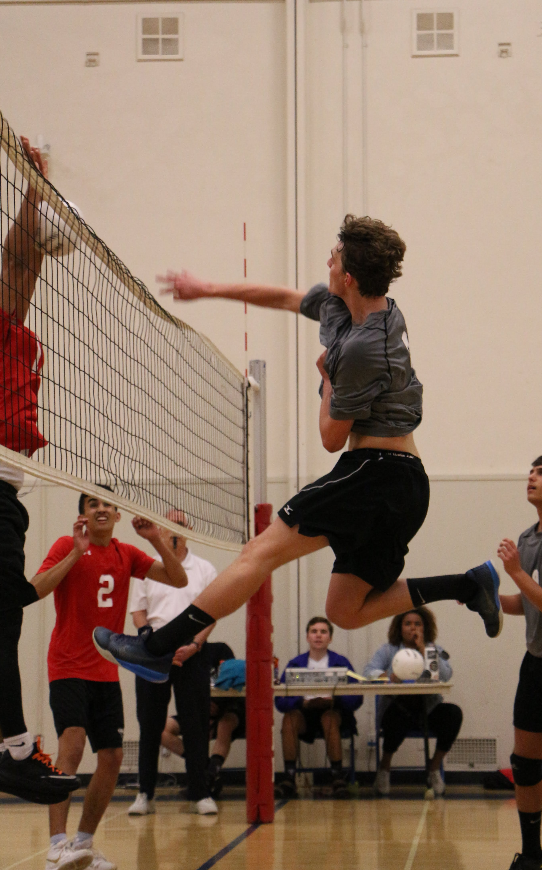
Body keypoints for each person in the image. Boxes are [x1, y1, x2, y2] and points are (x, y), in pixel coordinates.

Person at [93, 214, 502, 682]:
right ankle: (468, 585)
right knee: (346, 611)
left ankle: (158, 648)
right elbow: (285, 297)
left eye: (334, 255)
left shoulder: (364, 348)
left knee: (257, 555)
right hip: (401, 485)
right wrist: (206, 288)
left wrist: (326, 379)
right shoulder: (354, 305)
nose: (327, 259)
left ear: (348, 275)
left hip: (376, 474)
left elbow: (330, 438)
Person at [32, 492, 186, 870]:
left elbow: (178, 579)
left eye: (107, 504)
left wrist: (154, 538)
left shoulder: (126, 554)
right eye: (92, 504)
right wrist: (74, 554)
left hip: (105, 669)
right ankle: (56, 846)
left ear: (117, 514)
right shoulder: (68, 545)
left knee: (113, 756)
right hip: (67, 664)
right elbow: (35, 588)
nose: (101, 509)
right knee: (72, 743)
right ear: (83, 515)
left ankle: (83, 843)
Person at [0, 137, 82, 806]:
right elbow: (16, 259)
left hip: (7, 492)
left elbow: (22, 269)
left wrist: (37, 187)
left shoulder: (13, 334)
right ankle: (14, 750)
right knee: (5, 616)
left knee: (5, 614)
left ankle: (14, 749)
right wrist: (33, 187)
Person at [127, 514, 219, 817]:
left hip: (191, 652)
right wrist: (149, 642)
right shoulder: (147, 567)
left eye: (183, 525)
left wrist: (195, 644)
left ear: (189, 532)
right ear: (160, 530)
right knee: (150, 723)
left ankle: (200, 793)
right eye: (170, 524)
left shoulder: (204, 569)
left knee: (195, 724)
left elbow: (213, 613)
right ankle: (145, 793)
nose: (177, 531)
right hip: (154, 653)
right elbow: (138, 611)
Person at [496, 454, 542, 870]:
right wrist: (487, 598)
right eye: (531, 471)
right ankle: (533, 856)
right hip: (537, 665)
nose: (531, 477)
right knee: (525, 764)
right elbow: (530, 605)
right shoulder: (528, 538)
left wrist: (516, 573)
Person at [364, 606, 462, 796]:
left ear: (424, 628)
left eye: (417, 624)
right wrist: (389, 676)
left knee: (453, 714)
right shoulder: (388, 649)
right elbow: (368, 672)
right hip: (399, 708)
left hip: (428, 708)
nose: (412, 628)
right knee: (395, 716)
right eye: (408, 624)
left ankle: (433, 768)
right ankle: (384, 768)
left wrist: (425, 650)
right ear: (400, 627)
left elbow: (446, 674)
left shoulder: (433, 649)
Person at [274, 616, 362, 799]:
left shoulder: (341, 662)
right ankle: (289, 778)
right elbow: (280, 701)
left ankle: (337, 777)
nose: (318, 635)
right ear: (307, 637)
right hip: (304, 713)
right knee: (288, 719)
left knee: (328, 718)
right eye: (314, 631)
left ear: (330, 638)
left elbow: (357, 697)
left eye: (323, 632)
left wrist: (335, 701)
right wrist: (301, 703)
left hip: (333, 712)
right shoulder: (295, 664)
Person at [159, 641, 246, 799]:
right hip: (198, 710)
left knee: (225, 724)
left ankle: (209, 775)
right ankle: (206, 768)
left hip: (227, 709)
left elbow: (232, 681)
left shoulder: (220, 650)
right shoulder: (181, 655)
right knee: (161, 729)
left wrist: (216, 707)